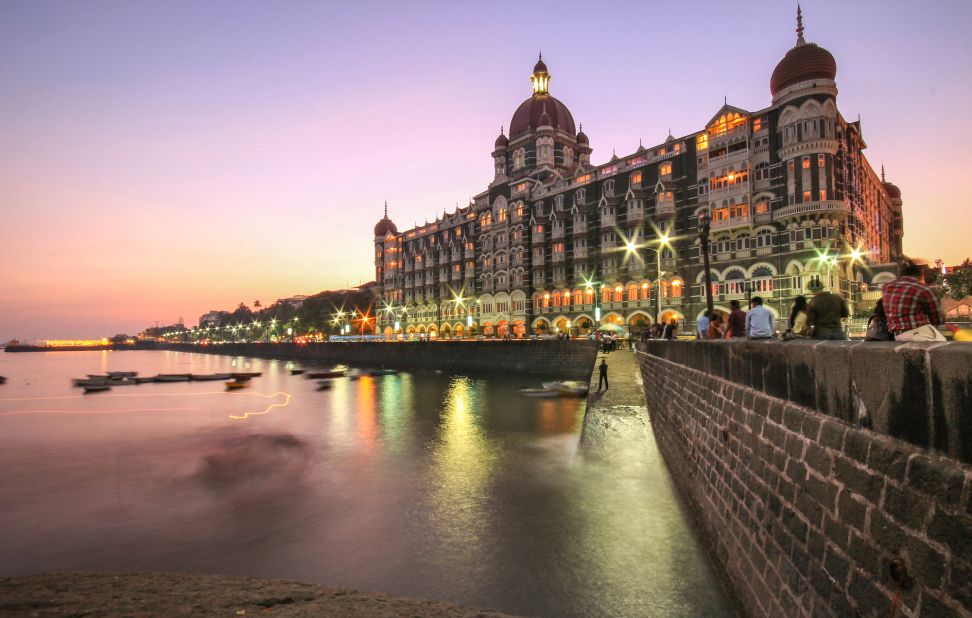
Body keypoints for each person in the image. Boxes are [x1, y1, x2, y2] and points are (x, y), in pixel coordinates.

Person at [882, 262, 945, 341]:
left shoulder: (887, 287)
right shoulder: (922, 288)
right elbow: (938, 318)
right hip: (918, 332)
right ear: (919, 275)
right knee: (944, 347)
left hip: (897, 335)